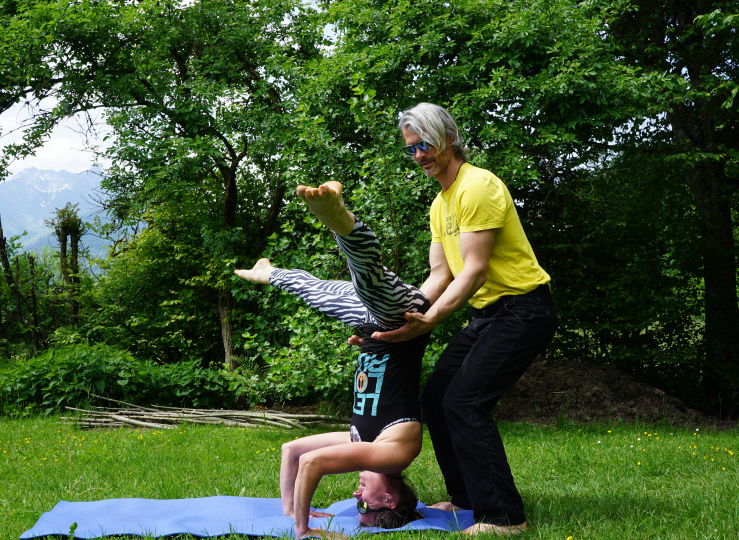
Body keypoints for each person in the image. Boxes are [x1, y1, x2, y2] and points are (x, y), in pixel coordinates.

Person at [371, 103, 559, 535]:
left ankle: (505, 517)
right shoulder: (441, 203)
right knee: (438, 398)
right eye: (411, 149)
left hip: (524, 309)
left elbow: (472, 269)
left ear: (449, 139)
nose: (419, 156)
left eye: (425, 146)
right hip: (490, 314)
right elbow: (441, 273)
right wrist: (394, 318)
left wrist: (431, 320)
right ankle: (467, 500)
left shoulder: (477, 187)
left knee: (465, 402)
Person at [234, 182, 429, 539]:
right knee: (368, 278)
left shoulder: (364, 443)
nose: (355, 496)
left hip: (372, 326)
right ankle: (340, 220)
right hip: (403, 318)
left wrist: (292, 509)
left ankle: (271, 273)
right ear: (388, 498)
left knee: (322, 293)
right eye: (364, 505)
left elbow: (293, 451)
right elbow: (313, 464)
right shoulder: (394, 455)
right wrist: (303, 530)